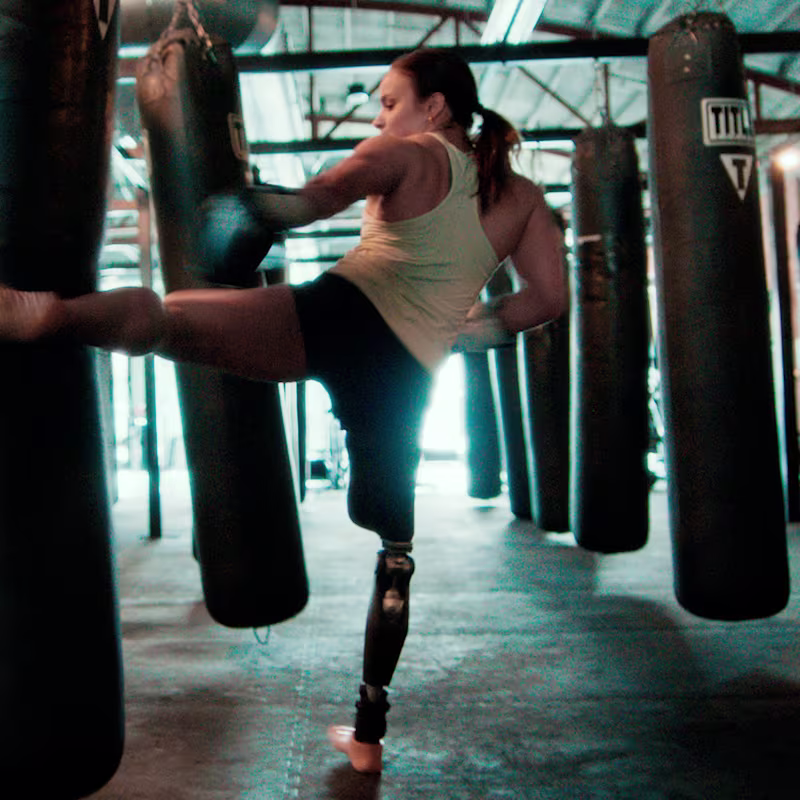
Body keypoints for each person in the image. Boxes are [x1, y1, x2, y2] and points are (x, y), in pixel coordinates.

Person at [0, 48, 566, 773]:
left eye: (391, 101)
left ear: (437, 108)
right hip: (405, 374)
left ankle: (48, 315)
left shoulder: (404, 154)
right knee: (393, 551)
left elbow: (306, 203)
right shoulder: (523, 201)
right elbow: (546, 301)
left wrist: (243, 211)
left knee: (173, 320)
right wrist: (463, 330)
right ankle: (368, 734)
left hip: (337, 318)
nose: (379, 115)